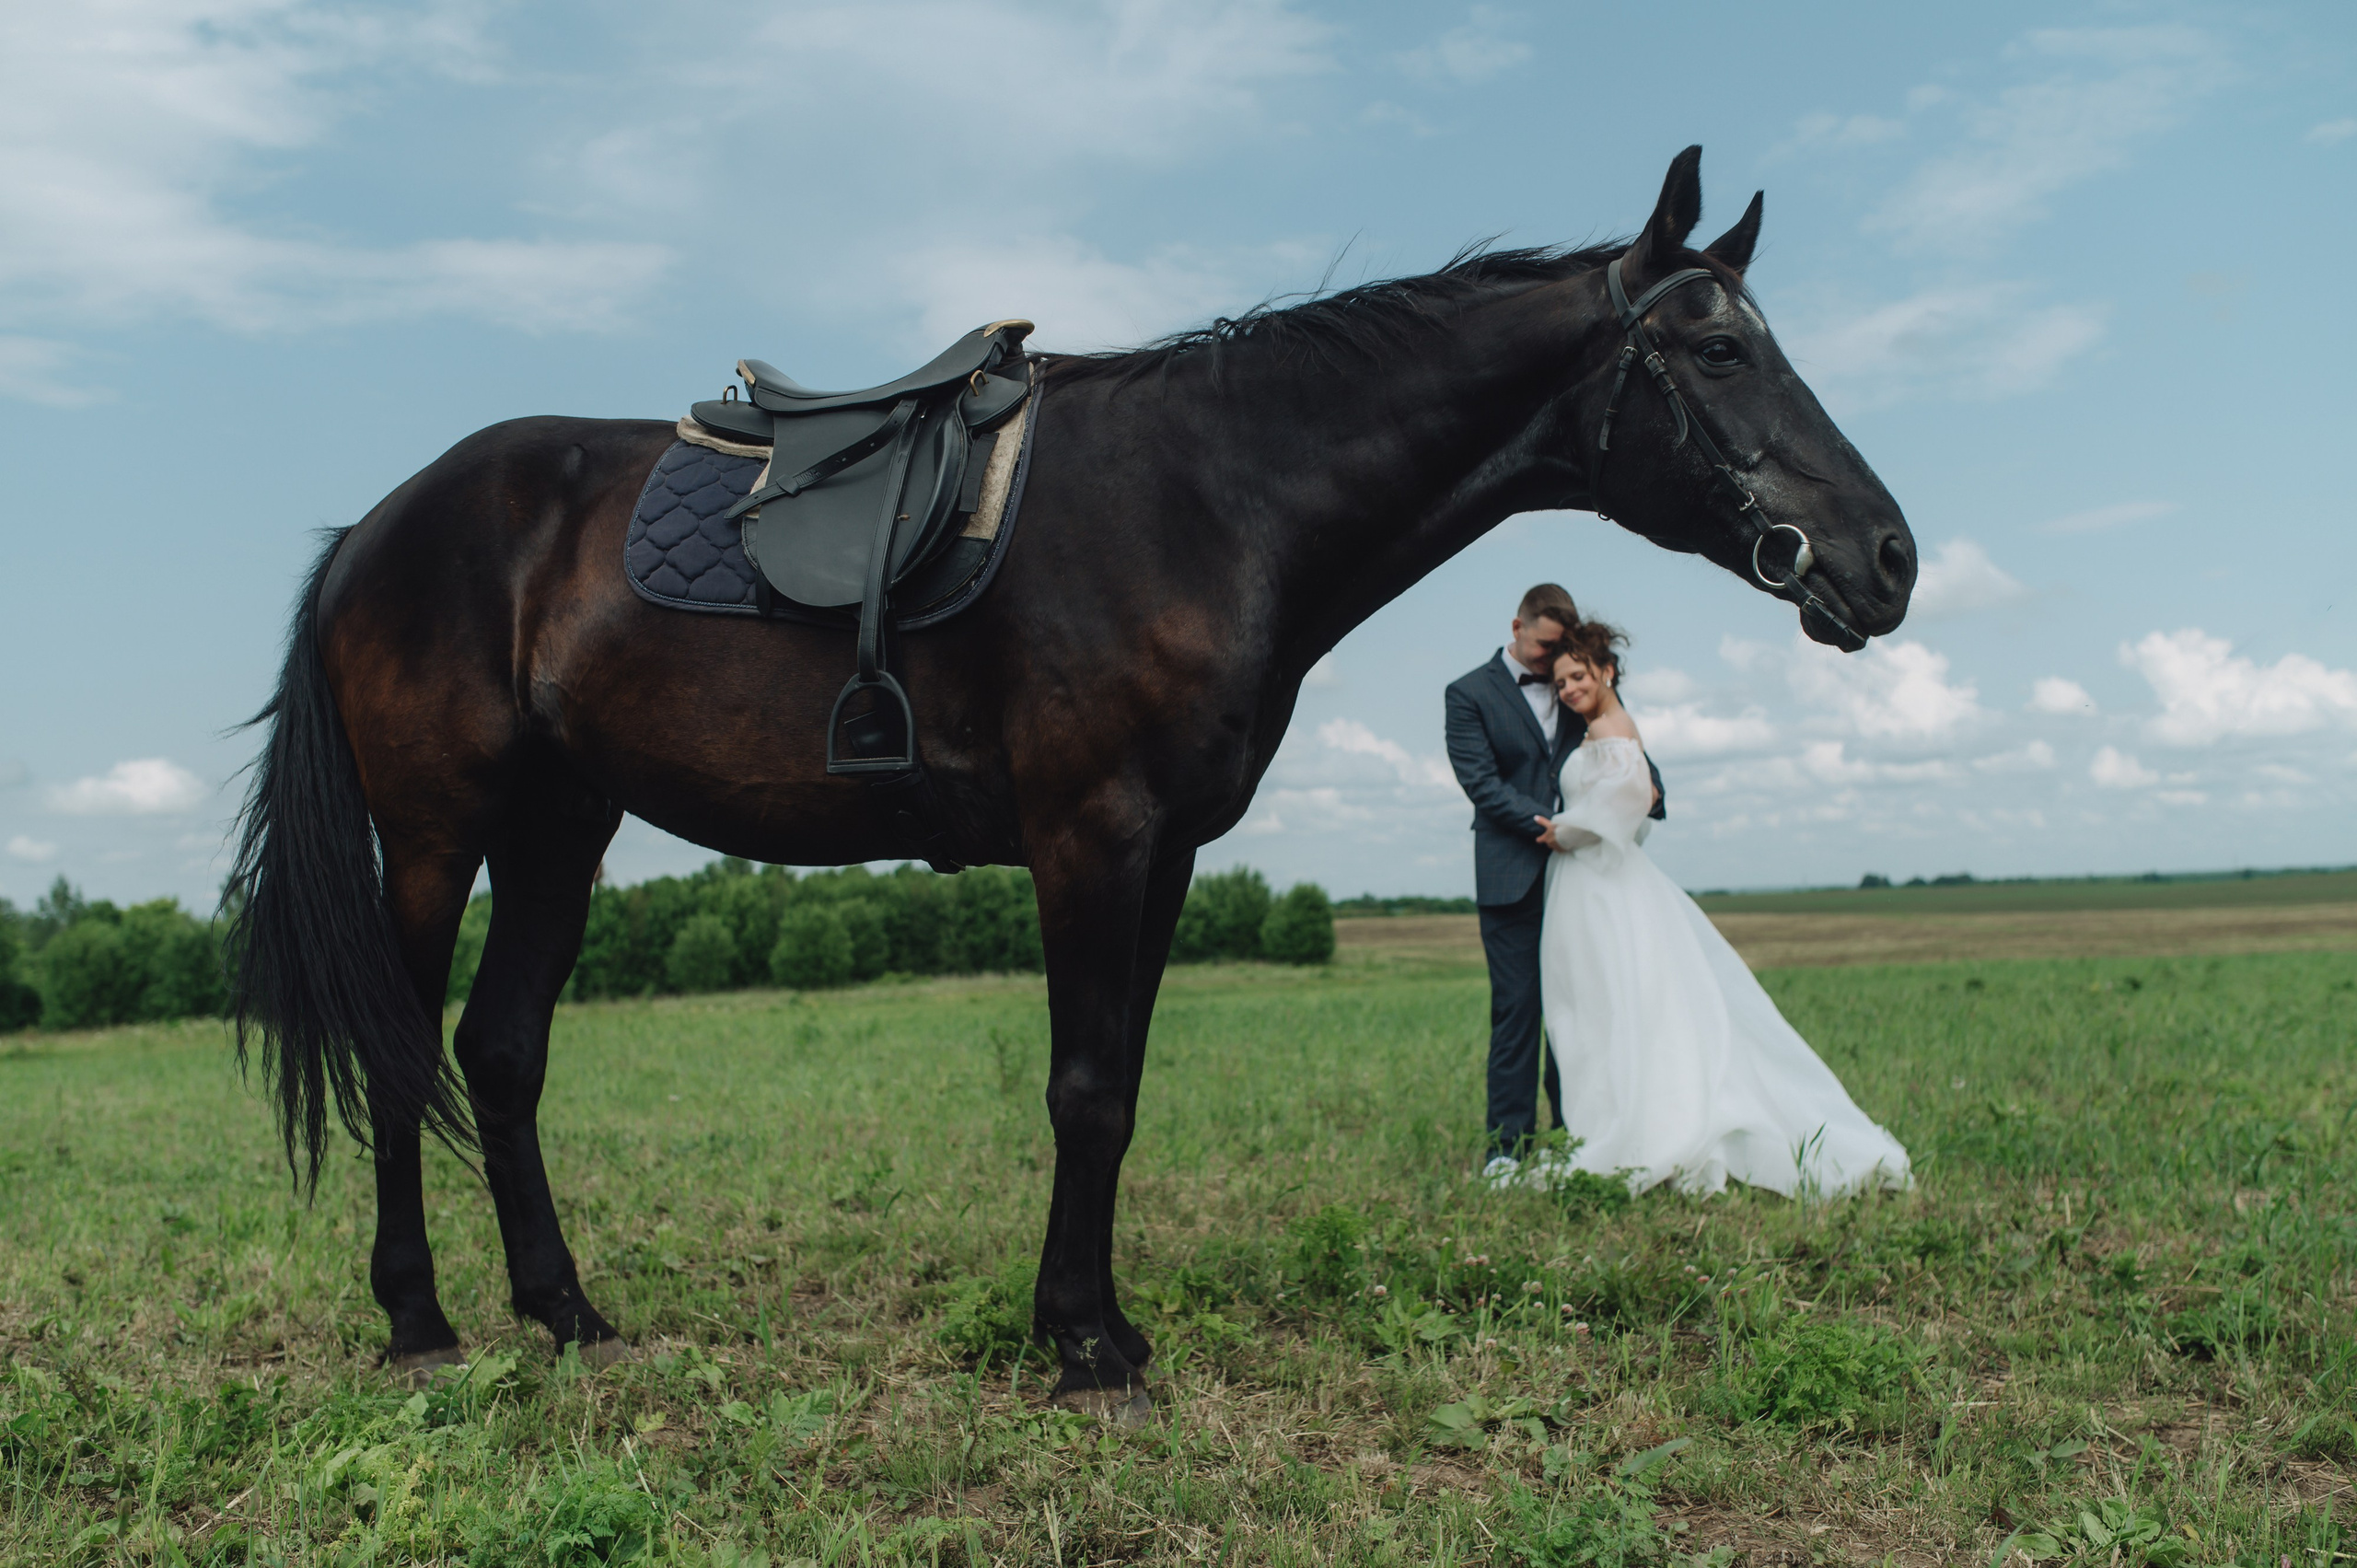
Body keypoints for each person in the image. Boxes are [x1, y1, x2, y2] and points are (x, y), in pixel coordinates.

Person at [1532, 619, 1910, 1197]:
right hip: (1592, 888)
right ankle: (1620, 1124)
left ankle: (1646, 1133)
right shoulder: (1600, 727)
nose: (1568, 690)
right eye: (1560, 683)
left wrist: (1568, 831)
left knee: (1623, 1010)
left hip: (1605, 888)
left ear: (1606, 672)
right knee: (1603, 1014)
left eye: (1578, 676)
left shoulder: (1614, 725)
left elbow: (1633, 799)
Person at [1444, 585, 1661, 1184]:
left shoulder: (1574, 681)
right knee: (1516, 1015)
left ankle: (1578, 1139)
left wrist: (1649, 788)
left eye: (1561, 652)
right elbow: (1481, 784)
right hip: (1513, 876)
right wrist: (1554, 825)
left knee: (1583, 1011)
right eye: (1544, 648)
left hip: (1585, 881)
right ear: (1517, 626)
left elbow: (1613, 733)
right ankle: (1506, 1150)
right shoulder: (1467, 694)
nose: (1553, 666)